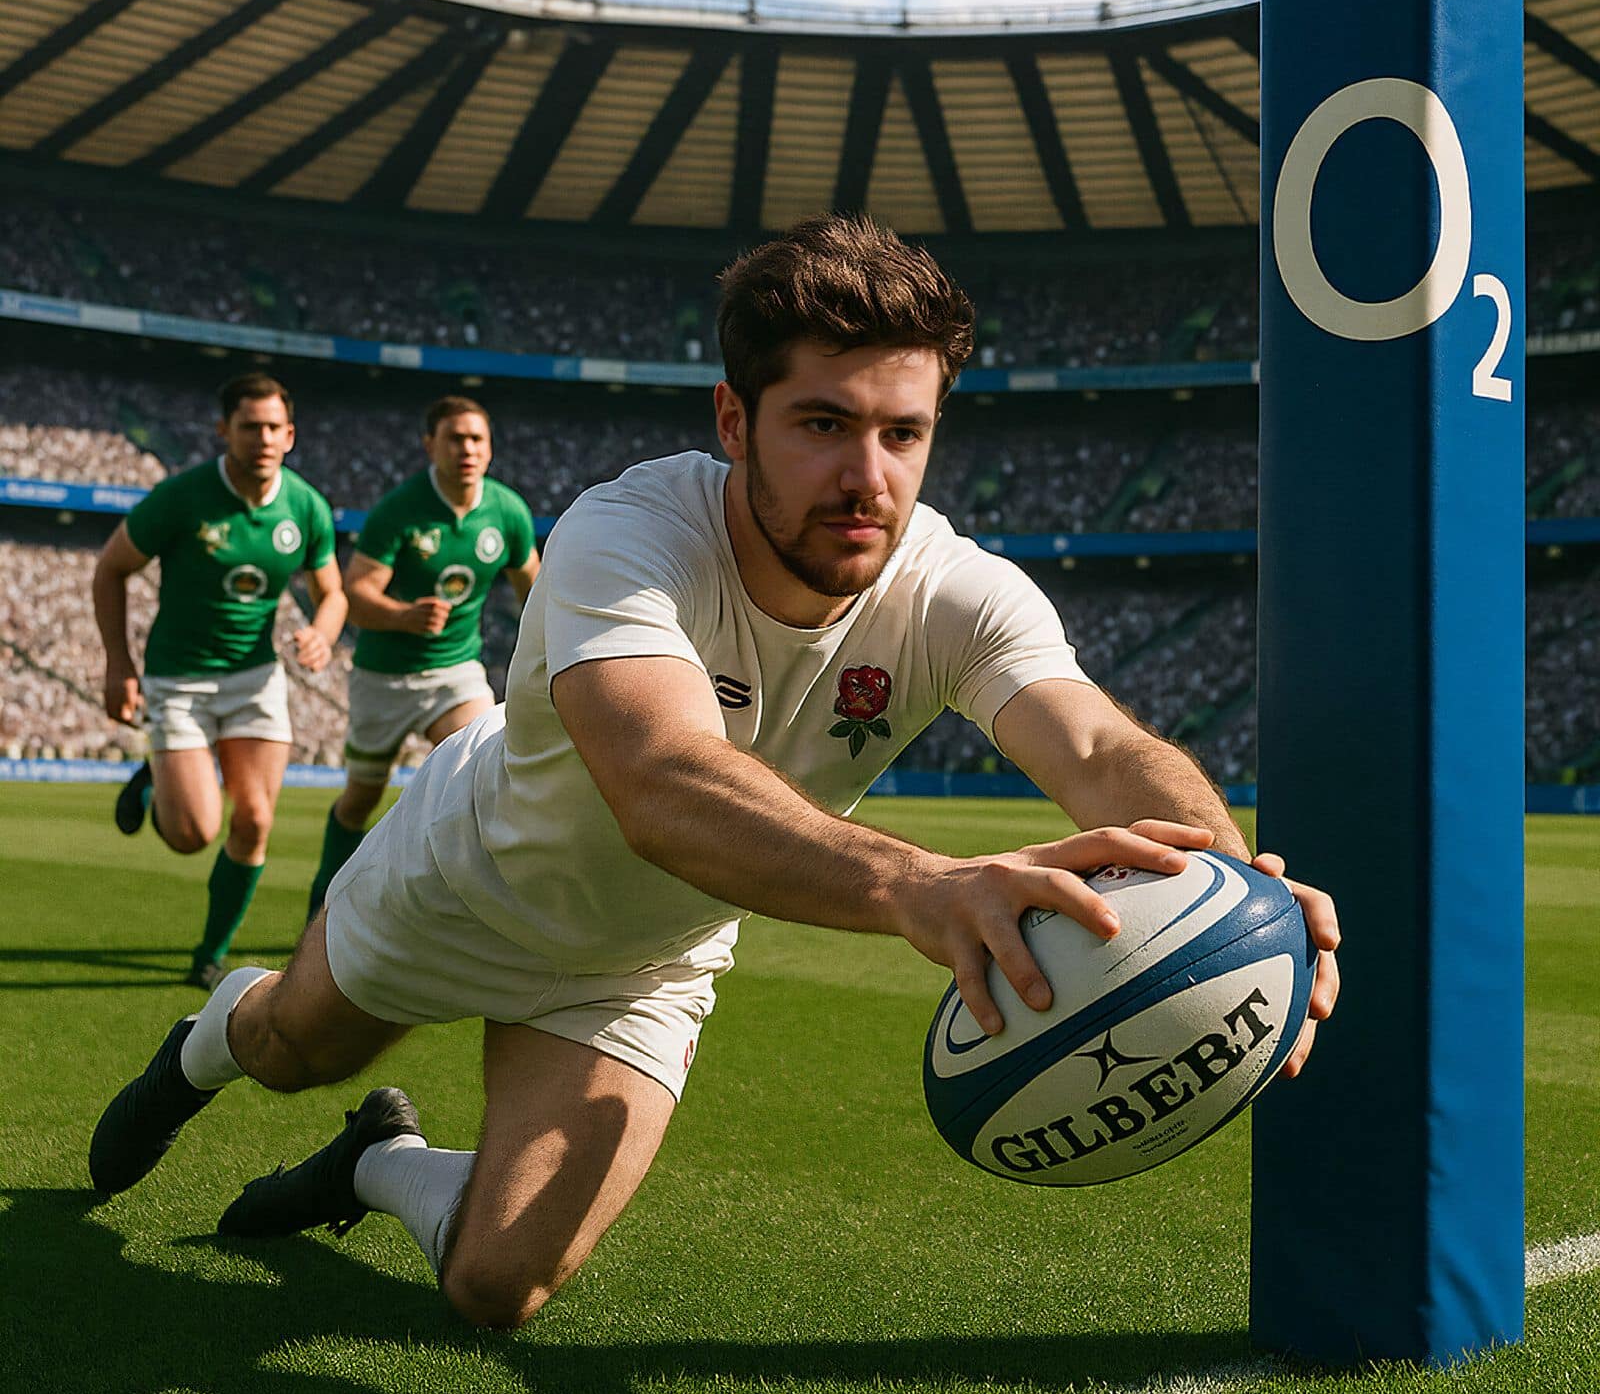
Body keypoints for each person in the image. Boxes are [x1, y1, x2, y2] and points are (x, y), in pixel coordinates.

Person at [89, 216, 1340, 1330]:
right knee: (291, 1047)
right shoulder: (625, 534)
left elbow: (1096, 745)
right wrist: (919, 884)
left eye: (904, 434)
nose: (870, 477)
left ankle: (373, 1160)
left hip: (646, 959)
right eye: (824, 426)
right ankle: (204, 1039)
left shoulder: (953, 588)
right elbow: (663, 780)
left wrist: (1230, 879)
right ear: (735, 420)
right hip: (466, 873)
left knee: (495, 1288)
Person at [94, 373, 346, 989]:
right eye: (249, 426)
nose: (262, 438)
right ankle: (159, 779)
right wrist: (118, 664)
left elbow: (332, 591)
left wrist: (323, 631)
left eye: (273, 427)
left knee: (255, 821)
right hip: (178, 682)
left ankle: (210, 953)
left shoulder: (306, 507)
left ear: (290, 435)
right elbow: (110, 568)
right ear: (223, 430)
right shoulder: (182, 497)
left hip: (255, 681)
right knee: (192, 834)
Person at [306, 396, 539, 918]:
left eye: (477, 439)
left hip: (456, 672)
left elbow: (536, 588)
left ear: (490, 447)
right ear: (429, 444)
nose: (467, 449)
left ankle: (467, 912)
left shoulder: (507, 511)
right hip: (383, 678)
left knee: (484, 778)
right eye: (455, 439)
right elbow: (357, 596)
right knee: (360, 800)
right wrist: (403, 615)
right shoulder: (399, 510)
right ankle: (321, 905)